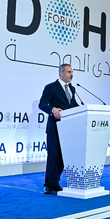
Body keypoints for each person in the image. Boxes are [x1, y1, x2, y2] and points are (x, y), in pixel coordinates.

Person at [39, 64, 79, 194]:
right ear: (61, 73)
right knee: (53, 155)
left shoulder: (72, 89)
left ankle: (55, 182)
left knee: (63, 157)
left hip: (68, 128)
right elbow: (42, 104)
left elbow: (73, 105)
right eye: (69, 72)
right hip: (55, 127)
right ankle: (48, 184)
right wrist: (53, 109)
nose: (71, 74)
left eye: (72, 72)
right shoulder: (51, 87)